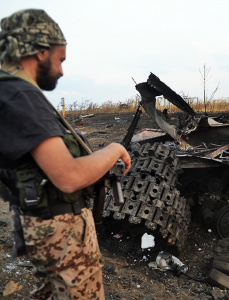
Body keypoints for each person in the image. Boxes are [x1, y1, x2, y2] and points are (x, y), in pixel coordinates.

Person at [0, 9, 131, 299]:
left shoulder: (10, 92)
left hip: (43, 222)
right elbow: (68, 177)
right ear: (38, 51)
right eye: (60, 59)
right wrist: (113, 149)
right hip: (59, 228)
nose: (61, 71)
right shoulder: (22, 95)